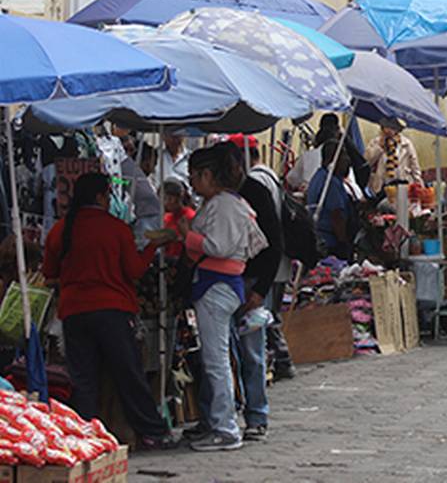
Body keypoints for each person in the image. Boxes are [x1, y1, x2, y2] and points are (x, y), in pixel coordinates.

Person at [41, 173, 177, 450]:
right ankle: (152, 431)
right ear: (102, 197)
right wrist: (153, 246)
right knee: (128, 374)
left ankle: (85, 436)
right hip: (113, 311)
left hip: (74, 313)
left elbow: (49, 273)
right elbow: (135, 270)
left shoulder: (61, 230)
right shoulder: (116, 229)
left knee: (83, 380)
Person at [181, 143, 266, 452]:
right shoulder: (226, 203)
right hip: (220, 284)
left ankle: (226, 428)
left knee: (216, 360)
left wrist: (186, 236)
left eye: (194, 176)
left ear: (207, 175)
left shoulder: (224, 205)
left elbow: (217, 246)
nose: (191, 182)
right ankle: (221, 422)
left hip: (218, 285)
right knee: (216, 359)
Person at [225, 139, 284, 443]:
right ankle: (230, 412)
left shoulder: (255, 193)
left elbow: (274, 245)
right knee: (227, 354)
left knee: (252, 352)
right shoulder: (219, 196)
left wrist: (261, 290)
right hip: (225, 283)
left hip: (251, 283)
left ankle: (257, 416)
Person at [306, 142, 357, 260]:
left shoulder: (318, 176)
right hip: (330, 243)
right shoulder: (330, 183)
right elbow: (336, 216)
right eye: (343, 155)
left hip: (319, 238)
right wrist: (343, 243)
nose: (347, 160)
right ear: (332, 159)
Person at [365, 118, 423, 193]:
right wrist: (379, 147)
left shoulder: (406, 144)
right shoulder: (375, 142)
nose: (389, 130)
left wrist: (418, 183)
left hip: (403, 184)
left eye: (393, 128)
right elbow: (367, 162)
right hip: (382, 186)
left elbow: (414, 166)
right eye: (387, 127)